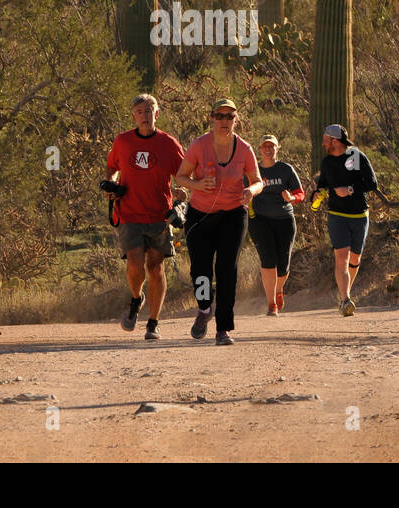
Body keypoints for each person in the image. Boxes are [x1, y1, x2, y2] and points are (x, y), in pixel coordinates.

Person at [172, 99, 263, 345]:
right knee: (200, 272)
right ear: (211, 118)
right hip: (200, 216)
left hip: (233, 215)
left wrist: (251, 191)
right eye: (219, 116)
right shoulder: (200, 145)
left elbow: (258, 179)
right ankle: (204, 309)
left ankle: (223, 329)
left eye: (229, 116)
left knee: (226, 271)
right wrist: (197, 185)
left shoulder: (244, 149)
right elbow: (181, 177)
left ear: (236, 119)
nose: (224, 121)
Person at [105, 94, 186, 340]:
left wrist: (183, 190)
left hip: (160, 214)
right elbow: (112, 167)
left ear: (157, 114)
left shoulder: (168, 144)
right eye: (139, 111)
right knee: (134, 263)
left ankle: (153, 322)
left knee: (156, 266)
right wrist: (111, 182)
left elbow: (184, 173)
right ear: (134, 116)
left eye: (149, 111)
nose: (144, 115)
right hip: (129, 212)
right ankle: (136, 298)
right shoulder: (123, 141)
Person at [310, 124, 378, 316]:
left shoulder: (355, 156)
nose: (322, 143)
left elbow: (372, 183)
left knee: (355, 257)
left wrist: (349, 189)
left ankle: (345, 296)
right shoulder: (327, 162)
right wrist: (316, 195)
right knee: (342, 255)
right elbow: (322, 185)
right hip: (336, 215)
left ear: (335, 141)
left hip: (359, 215)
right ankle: (345, 299)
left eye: (325, 139)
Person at [249, 134, 304, 315]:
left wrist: (292, 198)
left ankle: (279, 289)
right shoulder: (253, 171)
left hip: (284, 220)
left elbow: (300, 193)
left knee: (283, 265)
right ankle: (271, 303)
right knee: (268, 259)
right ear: (259, 150)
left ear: (277, 148)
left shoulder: (286, 170)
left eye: (271, 146)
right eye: (264, 146)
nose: (268, 149)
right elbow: (244, 193)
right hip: (260, 220)